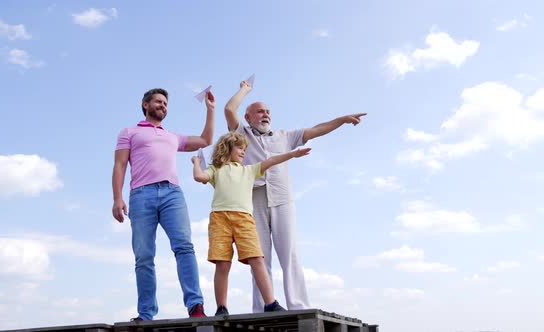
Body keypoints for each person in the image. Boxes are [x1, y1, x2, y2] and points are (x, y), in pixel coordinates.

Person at [224, 80, 367, 312]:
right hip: (254, 198)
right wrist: (245, 90)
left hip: (282, 199)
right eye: (260, 111)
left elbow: (316, 129)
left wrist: (341, 120)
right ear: (248, 117)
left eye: (268, 111)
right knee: (258, 257)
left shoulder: (284, 136)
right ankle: (262, 309)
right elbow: (229, 109)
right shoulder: (241, 134)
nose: (265, 114)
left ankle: (298, 305)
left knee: (289, 254)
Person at [112, 88, 215, 321]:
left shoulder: (172, 137)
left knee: (184, 247)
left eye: (166, 103)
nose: (163, 105)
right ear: (145, 104)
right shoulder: (129, 132)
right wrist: (117, 198)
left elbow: (206, 140)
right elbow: (120, 165)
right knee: (144, 256)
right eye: (158, 101)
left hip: (172, 195)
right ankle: (146, 313)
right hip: (141, 195)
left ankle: (196, 306)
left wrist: (210, 110)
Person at [191, 132, 311, 316]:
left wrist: (292, 154)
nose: (243, 152)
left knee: (257, 259)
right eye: (240, 148)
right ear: (227, 148)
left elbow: (271, 160)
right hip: (219, 219)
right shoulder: (216, 170)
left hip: (244, 219)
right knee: (222, 264)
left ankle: (270, 303)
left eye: (245, 149)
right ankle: (221, 307)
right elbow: (199, 177)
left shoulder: (250, 170)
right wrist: (196, 163)